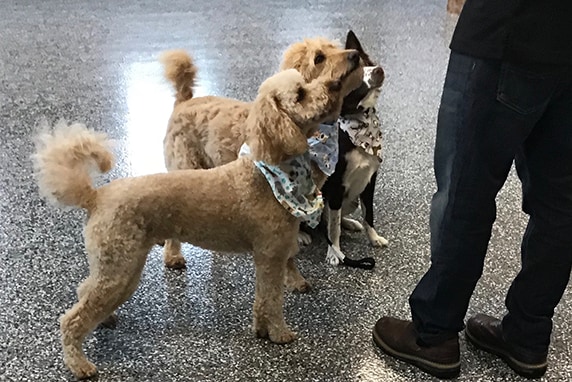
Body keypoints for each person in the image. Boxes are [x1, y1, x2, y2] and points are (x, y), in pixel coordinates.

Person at [372, 0, 572, 379]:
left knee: (467, 188)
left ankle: (434, 332)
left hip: (507, 31)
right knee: (559, 202)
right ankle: (528, 334)